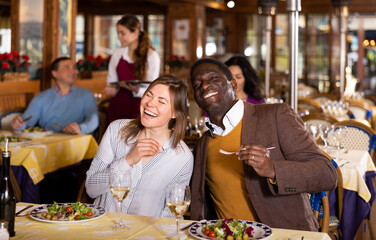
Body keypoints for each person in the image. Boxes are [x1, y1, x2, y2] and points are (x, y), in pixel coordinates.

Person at [189, 58, 337, 231]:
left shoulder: (275, 116)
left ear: (233, 84)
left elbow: (326, 174)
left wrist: (273, 169)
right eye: (197, 83)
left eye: (213, 79)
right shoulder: (203, 145)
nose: (204, 86)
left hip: (282, 235)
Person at [86, 75, 193, 218]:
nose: (150, 103)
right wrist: (128, 160)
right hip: (102, 229)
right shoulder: (116, 130)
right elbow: (91, 188)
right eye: (149, 95)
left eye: (161, 101)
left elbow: (170, 215)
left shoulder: (182, 158)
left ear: (174, 113)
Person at [10, 57, 99, 135]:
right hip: (49, 143)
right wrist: (18, 125)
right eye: (67, 68)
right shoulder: (40, 98)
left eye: (74, 68)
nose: (74, 71)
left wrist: (81, 128)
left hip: (77, 143)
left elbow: (93, 120)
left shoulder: (86, 94)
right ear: (54, 73)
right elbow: (26, 122)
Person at [103, 15, 160, 127]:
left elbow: (153, 91)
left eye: (122, 33)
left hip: (139, 110)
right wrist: (110, 89)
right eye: (118, 33)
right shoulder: (117, 53)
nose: (119, 37)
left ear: (135, 33)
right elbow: (111, 81)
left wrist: (137, 90)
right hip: (116, 108)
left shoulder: (152, 56)